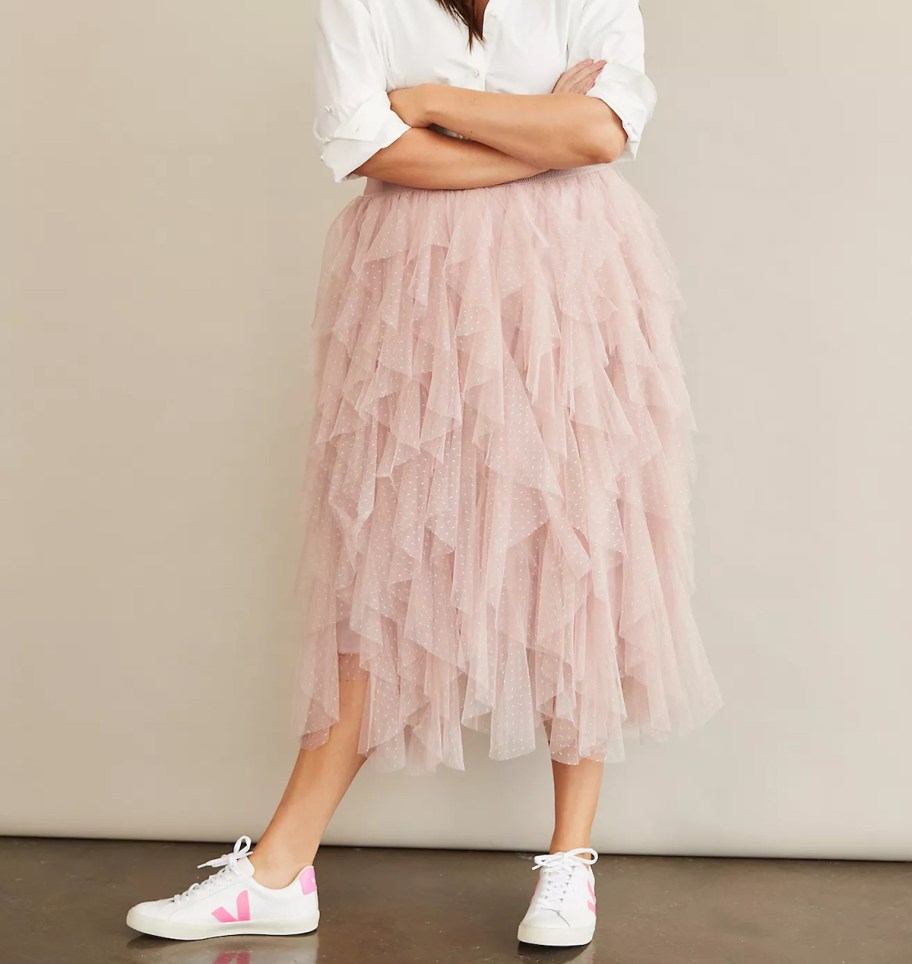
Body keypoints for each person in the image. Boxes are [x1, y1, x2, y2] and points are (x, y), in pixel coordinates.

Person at [126, 0, 723, 948]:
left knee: (578, 548)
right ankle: (280, 870)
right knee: (384, 562)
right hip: (414, 290)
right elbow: (365, 145)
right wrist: (540, 141)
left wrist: (432, 101)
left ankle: (570, 864)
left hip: (573, 281)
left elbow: (605, 129)